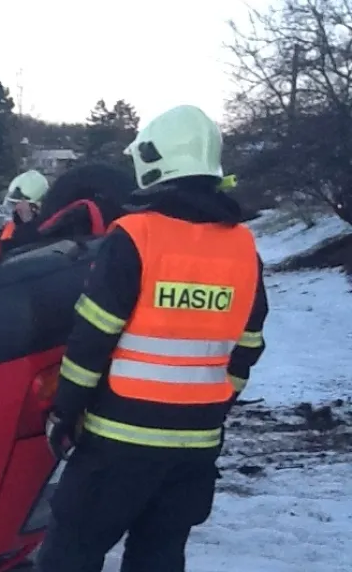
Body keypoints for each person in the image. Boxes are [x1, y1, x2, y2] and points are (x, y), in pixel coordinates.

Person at [35, 104, 269, 572]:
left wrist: (66, 409)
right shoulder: (243, 247)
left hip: (117, 442)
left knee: (71, 551)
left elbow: (92, 337)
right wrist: (215, 405)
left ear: (154, 160)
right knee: (159, 556)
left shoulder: (136, 237)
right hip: (194, 448)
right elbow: (248, 346)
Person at [0, 169, 49, 242]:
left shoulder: (48, 233)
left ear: (34, 207)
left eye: (17, 204)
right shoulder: (6, 229)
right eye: (12, 204)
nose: (14, 210)